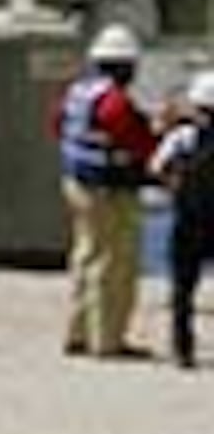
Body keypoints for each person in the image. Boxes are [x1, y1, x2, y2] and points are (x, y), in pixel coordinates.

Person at [60, 20, 159, 359]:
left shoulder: (77, 93)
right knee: (115, 263)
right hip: (109, 189)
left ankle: (78, 332)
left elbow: (58, 126)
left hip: (77, 182)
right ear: (125, 66)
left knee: (85, 256)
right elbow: (139, 143)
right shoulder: (115, 102)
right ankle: (107, 340)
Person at [156, 63, 214, 376]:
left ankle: (183, 349)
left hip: (187, 220)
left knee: (183, 289)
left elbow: (157, 167)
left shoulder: (182, 137)